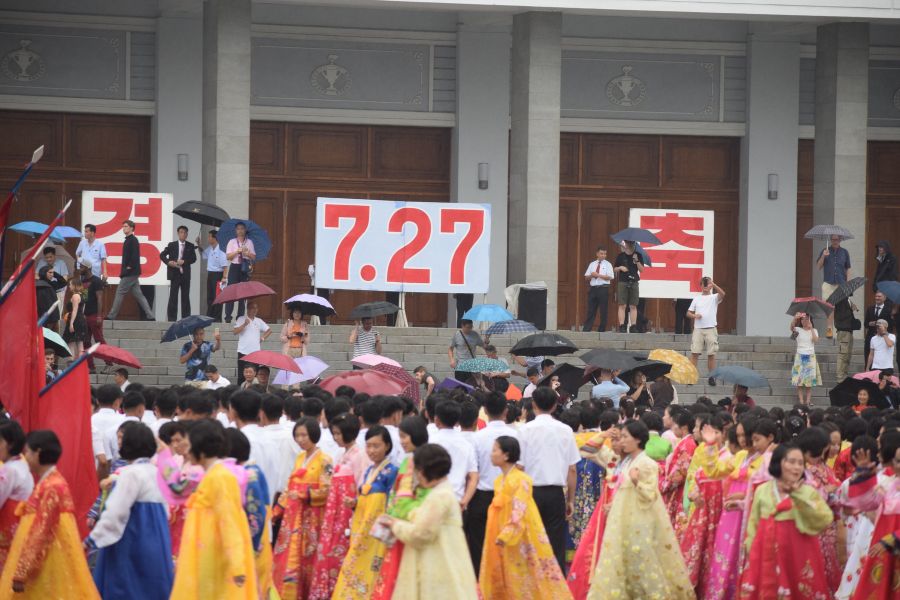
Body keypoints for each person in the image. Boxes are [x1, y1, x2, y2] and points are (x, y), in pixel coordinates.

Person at [587, 420, 693, 599]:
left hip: (640, 523)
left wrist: (637, 481)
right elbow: (587, 450)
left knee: (642, 565)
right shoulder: (622, 462)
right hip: (621, 521)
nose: (621, 441)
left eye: (625, 437)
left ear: (637, 440)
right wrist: (604, 434)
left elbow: (650, 495)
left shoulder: (647, 464)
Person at [0, 430, 100, 598]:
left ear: (37, 453)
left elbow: (41, 530)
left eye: (27, 452)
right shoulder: (51, 482)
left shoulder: (51, 487)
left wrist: (23, 569)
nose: (25, 457)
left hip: (47, 560)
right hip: (48, 556)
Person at [377, 444, 479, 600]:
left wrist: (395, 525)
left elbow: (420, 534)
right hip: (445, 557)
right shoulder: (443, 492)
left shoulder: (439, 496)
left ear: (424, 471)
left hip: (437, 562)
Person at [169, 420, 257, 598]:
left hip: (214, 554)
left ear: (200, 450)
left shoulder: (221, 477)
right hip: (204, 552)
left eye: (188, 445)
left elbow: (229, 521)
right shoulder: (211, 475)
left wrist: (237, 564)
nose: (186, 450)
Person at [86, 422, 174, 600]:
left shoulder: (129, 474)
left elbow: (115, 512)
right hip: (157, 542)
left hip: (131, 540)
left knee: (126, 588)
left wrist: (92, 540)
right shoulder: (157, 472)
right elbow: (167, 512)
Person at [478, 436, 571, 598]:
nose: (491, 454)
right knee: (506, 569)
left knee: (522, 572)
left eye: (495, 450)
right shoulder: (499, 480)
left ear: (506, 455)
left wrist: (507, 533)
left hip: (520, 535)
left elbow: (519, 510)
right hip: (500, 531)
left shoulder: (522, 479)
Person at [738, 443, 834, 599]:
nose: (796, 467)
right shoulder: (763, 490)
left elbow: (825, 519)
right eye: (791, 462)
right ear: (777, 463)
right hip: (765, 558)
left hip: (799, 557)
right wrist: (752, 556)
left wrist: (797, 495)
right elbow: (753, 526)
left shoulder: (808, 491)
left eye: (800, 463)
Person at [517, 387, 580, 572]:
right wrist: (570, 499)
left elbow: (519, 467)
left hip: (531, 492)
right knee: (555, 543)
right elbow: (572, 469)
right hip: (555, 494)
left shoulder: (525, 430)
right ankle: (556, 582)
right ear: (554, 406)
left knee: (531, 540)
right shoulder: (565, 430)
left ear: (533, 404)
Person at [333, 426, 399, 599]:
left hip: (378, 534)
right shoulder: (370, 470)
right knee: (355, 566)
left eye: (376, 446)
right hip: (362, 530)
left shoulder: (391, 471)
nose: (371, 450)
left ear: (387, 446)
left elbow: (392, 503)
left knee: (373, 569)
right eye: (368, 446)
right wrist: (355, 503)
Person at [370, 416, 431, 600]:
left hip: (411, 525)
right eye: (401, 436)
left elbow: (425, 496)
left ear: (416, 435)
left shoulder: (423, 461)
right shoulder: (408, 460)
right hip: (399, 524)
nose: (402, 441)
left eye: (405, 436)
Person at [273, 418, 333, 600]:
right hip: (293, 515)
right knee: (291, 556)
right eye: (297, 435)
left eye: (304, 435)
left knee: (308, 556)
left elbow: (327, 489)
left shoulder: (325, 460)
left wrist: (304, 493)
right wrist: (277, 510)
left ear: (314, 435)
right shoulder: (300, 458)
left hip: (311, 517)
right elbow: (289, 486)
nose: (300, 439)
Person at [308, 413, 364, 600]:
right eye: (334, 433)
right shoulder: (341, 453)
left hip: (347, 514)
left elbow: (359, 486)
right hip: (334, 513)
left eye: (339, 434)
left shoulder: (359, 455)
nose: (336, 438)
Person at [465, 392, 518, 570]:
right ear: (506, 410)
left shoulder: (477, 437)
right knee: (508, 544)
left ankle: (481, 588)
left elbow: (472, 471)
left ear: (485, 411)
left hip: (481, 497)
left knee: (479, 546)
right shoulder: (517, 435)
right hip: (510, 497)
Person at [850, 431, 900, 600]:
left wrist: (892, 539)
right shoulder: (890, 485)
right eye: (898, 460)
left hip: (890, 545)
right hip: (883, 549)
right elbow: (864, 504)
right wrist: (863, 473)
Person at [430, 401, 478, 509]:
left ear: (436, 420)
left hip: (433, 501)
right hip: (457, 501)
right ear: (457, 421)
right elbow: (473, 477)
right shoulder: (466, 445)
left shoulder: (430, 442)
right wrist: (465, 501)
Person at [107, 220, 155, 321]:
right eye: (123, 226)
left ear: (131, 228)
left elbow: (134, 256)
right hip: (133, 272)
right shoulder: (128, 240)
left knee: (120, 292)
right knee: (139, 295)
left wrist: (128, 267)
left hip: (130, 272)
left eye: (126, 226)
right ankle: (150, 316)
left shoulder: (133, 240)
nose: (123, 228)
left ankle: (111, 315)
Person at [0, 421, 33, 566]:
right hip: (21, 526)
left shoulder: (8, 470)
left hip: (7, 528)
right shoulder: (21, 462)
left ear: (11, 444)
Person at [687, 276, 725, 386]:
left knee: (711, 354)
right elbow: (688, 313)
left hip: (711, 328)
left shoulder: (714, 297)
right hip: (698, 329)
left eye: (707, 283)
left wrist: (713, 284)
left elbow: (723, 294)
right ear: (700, 285)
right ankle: (691, 377)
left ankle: (712, 377)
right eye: (703, 283)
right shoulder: (696, 298)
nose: (705, 285)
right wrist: (694, 315)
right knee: (694, 353)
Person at [817, 233, 852, 338]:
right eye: (832, 239)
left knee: (841, 307)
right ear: (830, 240)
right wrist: (824, 255)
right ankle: (829, 329)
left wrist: (848, 282)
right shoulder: (825, 250)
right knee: (829, 307)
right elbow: (818, 266)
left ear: (840, 240)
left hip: (841, 283)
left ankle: (839, 329)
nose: (834, 241)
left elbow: (848, 268)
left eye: (836, 239)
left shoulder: (845, 252)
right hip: (828, 283)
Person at [159, 225, 197, 321]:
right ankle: (172, 318)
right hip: (174, 274)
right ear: (178, 233)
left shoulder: (190, 245)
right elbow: (162, 255)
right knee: (173, 296)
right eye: (181, 232)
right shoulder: (172, 245)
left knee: (185, 297)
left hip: (185, 275)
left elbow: (194, 259)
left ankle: (186, 318)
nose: (183, 234)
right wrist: (168, 262)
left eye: (185, 232)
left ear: (187, 234)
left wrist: (184, 261)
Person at [224, 221, 256, 323]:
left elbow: (254, 257)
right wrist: (237, 251)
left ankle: (240, 317)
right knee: (231, 291)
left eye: (242, 228)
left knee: (243, 293)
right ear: (235, 231)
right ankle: (228, 317)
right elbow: (228, 257)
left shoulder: (249, 242)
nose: (240, 231)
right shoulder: (232, 242)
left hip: (244, 267)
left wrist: (247, 253)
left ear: (245, 230)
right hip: (234, 267)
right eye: (238, 229)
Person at [790, 312, 820, 406]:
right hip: (800, 355)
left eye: (806, 319)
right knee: (799, 380)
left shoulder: (814, 330)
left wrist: (811, 329)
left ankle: (808, 401)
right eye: (802, 319)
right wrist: (795, 318)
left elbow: (815, 340)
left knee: (809, 381)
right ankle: (801, 401)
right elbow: (791, 328)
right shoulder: (798, 329)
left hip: (810, 356)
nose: (804, 321)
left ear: (810, 320)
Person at [613, 240, 644, 333]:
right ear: (625, 244)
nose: (630, 245)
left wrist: (637, 261)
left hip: (634, 281)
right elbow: (614, 268)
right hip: (623, 281)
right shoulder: (620, 256)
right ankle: (622, 325)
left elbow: (641, 270)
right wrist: (620, 268)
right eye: (628, 243)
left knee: (633, 305)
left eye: (632, 244)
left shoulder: (638, 255)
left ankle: (633, 326)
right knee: (622, 305)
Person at [197, 229, 228, 321]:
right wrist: (199, 244)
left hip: (218, 275)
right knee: (210, 297)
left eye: (210, 236)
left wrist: (224, 278)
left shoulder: (221, 250)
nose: (208, 238)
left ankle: (217, 318)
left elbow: (225, 266)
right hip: (210, 274)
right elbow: (203, 254)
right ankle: (209, 316)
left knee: (217, 297)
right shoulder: (210, 248)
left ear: (215, 238)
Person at [582, 245, 613, 332]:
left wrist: (598, 275)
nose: (603, 255)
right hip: (593, 289)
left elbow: (610, 277)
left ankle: (602, 329)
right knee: (591, 309)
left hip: (603, 288)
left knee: (603, 310)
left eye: (605, 254)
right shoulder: (592, 264)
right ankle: (587, 328)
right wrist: (592, 275)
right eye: (601, 253)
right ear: (597, 254)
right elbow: (586, 277)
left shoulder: (608, 264)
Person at [81, 265, 106, 373]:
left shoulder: (96, 281)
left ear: (88, 268)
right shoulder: (83, 281)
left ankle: (109, 364)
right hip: (85, 315)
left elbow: (100, 298)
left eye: (81, 267)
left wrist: (99, 316)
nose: (79, 268)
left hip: (95, 315)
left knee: (99, 340)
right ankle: (91, 366)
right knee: (86, 341)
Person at [234, 301, 271, 374]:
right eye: (252, 308)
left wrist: (262, 338)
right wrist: (244, 324)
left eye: (256, 308)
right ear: (247, 309)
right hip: (243, 351)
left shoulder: (259, 320)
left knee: (255, 373)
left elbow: (269, 330)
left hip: (255, 352)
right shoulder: (241, 319)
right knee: (242, 374)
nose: (255, 310)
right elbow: (235, 332)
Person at [865, 291, 895, 366]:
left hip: (883, 337)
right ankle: (868, 372)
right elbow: (865, 323)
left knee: (881, 356)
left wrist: (884, 330)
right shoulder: (870, 308)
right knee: (868, 355)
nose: (877, 298)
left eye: (879, 296)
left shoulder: (889, 309)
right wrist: (870, 323)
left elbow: (891, 325)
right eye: (876, 296)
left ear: (884, 298)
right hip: (871, 336)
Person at [834, 298, 859, 382]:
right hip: (843, 331)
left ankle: (844, 375)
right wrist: (850, 310)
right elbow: (840, 316)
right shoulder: (840, 300)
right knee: (843, 354)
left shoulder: (848, 300)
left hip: (849, 330)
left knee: (848, 354)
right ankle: (840, 377)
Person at [62, 276, 87, 358]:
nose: (69, 286)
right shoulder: (82, 295)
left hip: (75, 320)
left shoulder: (75, 296)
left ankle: (72, 364)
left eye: (70, 284)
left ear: (74, 285)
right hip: (81, 319)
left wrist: (71, 323)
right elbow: (82, 309)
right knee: (80, 344)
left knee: (71, 343)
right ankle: (80, 365)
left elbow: (75, 310)